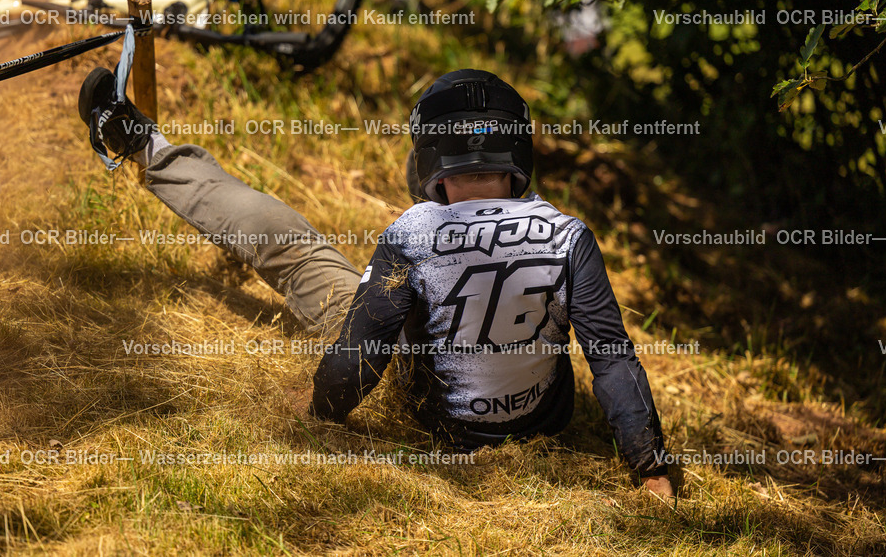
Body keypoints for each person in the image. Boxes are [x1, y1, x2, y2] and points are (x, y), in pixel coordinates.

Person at [78, 66, 673, 497]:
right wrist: (650, 469)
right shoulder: (569, 234)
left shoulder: (411, 233)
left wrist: (319, 412)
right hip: (542, 422)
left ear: (429, 156)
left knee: (295, 250)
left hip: (436, 420)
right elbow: (613, 359)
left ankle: (139, 142)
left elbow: (360, 358)